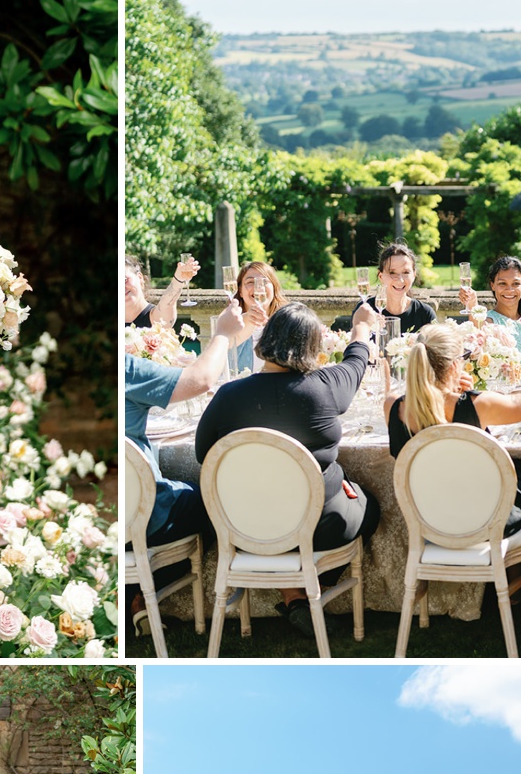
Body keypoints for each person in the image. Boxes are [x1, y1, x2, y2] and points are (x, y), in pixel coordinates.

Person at [196, 300, 383, 633]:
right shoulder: (325, 388)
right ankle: (310, 591)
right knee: (369, 505)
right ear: (313, 347)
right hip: (320, 527)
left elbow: (203, 456)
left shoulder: (228, 395)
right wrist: (362, 327)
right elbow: (357, 360)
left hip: (246, 526)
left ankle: (294, 595)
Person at [122, 302, 247, 637]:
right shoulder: (123, 366)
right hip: (141, 518)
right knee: (211, 500)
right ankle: (137, 597)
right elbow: (201, 379)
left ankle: (132, 598)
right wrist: (221, 334)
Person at [383, 315, 521, 477]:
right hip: (483, 504)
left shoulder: (392, 405)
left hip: (419, 504)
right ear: (455, 365)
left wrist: (457, 394)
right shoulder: (479, 406)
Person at [455, 255, 521, 376]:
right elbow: (477, 327)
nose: (509, 289)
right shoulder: (488, 322)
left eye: (515, 283)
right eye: (502, 284)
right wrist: (472, 302)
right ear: (492, 285)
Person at [331, 241, 435, 335]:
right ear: (381, 276)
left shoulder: (425, 313)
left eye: (406, 272)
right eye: (392, 272)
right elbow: (356, 346)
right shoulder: (366, 310)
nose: (400, 280)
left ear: (414, 275)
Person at [126, 253, 200, 330]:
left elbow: (167, 304)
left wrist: (178, 279)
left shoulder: (155, 317)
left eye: (125, 280)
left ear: (140, 278)